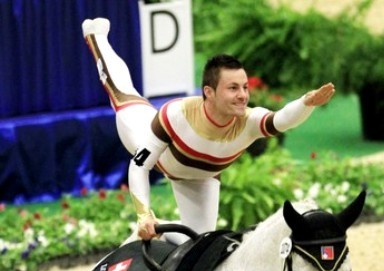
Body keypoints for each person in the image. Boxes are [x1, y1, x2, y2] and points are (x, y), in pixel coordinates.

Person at [82, 18, 335, 244]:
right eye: (233, 88)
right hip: (147, 140)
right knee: (122, 92)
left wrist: (306, 103)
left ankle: (156, 231)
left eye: (245, 87)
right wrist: (143, 214)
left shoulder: (249, 121)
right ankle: (96, 36)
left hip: (200, 177)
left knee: (199, 242)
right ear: (209, 92)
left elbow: (282, 120)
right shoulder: (175, 114)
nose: (243, 95)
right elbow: (139, 166)